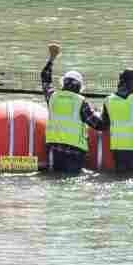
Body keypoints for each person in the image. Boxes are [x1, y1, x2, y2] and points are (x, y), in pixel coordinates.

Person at [41, 46, 104, 174]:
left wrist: (52, 58)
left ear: (63, 83)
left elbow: (45, 79)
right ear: (79, 86)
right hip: (74, 152)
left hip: (54, 148)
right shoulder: (81, 102)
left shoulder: (52, 97)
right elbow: (97, 124)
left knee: (54, 180)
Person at [98, 68, 133, 175]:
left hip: (118, 150)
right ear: (130, 83)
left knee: (121, 178)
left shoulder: (108, 101)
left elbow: (105, 124)